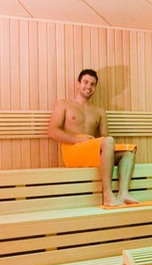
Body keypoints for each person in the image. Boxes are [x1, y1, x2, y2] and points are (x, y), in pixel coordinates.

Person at [47, 69, 138, 206]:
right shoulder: (64, 104)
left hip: (91, 151)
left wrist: (104, 145)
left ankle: (123, 193)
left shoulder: (99, 111)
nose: (89, 86)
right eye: (85, 82)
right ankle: (107, 195)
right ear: (78, 84)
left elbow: (105, 137)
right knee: (109, 141)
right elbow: (52, 131)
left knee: (128, 153)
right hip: (72, 151)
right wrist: (78, 140)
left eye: (92, 84)